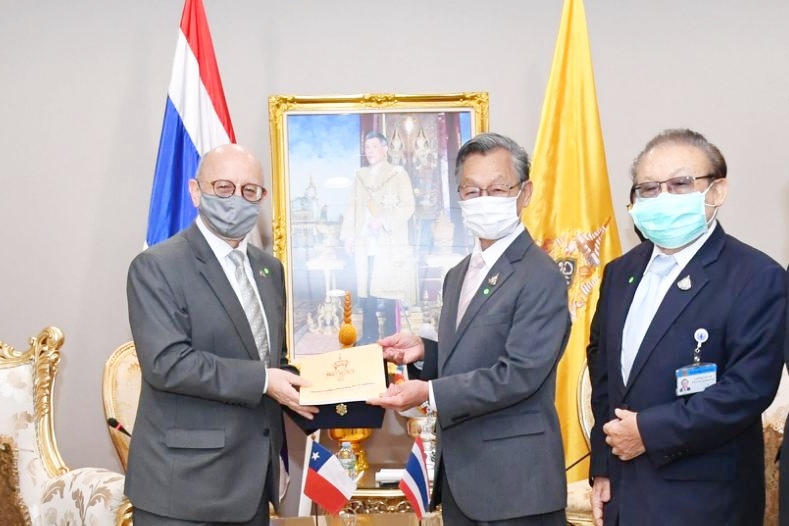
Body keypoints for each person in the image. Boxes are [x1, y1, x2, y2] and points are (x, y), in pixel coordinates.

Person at [368, 132, 571, 525]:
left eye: (497, 189)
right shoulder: (458, 274)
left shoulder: (540, 275)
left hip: (516, 488)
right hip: (463, 480)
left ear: (524, 193)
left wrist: (429, 392)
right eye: (472, 190)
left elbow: (519, 373)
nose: (484, 200)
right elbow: (471, 354)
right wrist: (425, 351)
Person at [587, 129, 786, 526]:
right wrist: (603, 465)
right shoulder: (620, 273)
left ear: (717, 191)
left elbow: (747, 389)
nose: (662, 198)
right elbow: (604, 373)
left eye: (679, 184)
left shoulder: (757, 276)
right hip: (624, 493)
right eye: (648, 188)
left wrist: (648, 431)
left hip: (705, 500)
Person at [125, 144, 318, 525]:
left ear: (262, 197)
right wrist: (265, 381)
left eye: (249, 190)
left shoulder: (268, 269)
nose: (237, 199)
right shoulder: (158, 266)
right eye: (224, 187)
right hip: (183, 491)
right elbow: (168, 364)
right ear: (196, 191)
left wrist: (336, 388)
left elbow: (272, 360)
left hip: (252, 485)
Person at [340, 131, 416, 344]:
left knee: (389, 288)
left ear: (385, 149)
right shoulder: (360, 176)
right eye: (367, 147)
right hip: (365, 242)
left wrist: (383, 221)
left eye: (374, 146)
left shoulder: (398, 174)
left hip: (388, 242)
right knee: (367, 290)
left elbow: (408, 205)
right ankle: (369, 335)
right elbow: (352, 207)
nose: (370, 151)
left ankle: (392, 335)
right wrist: (348, 236)